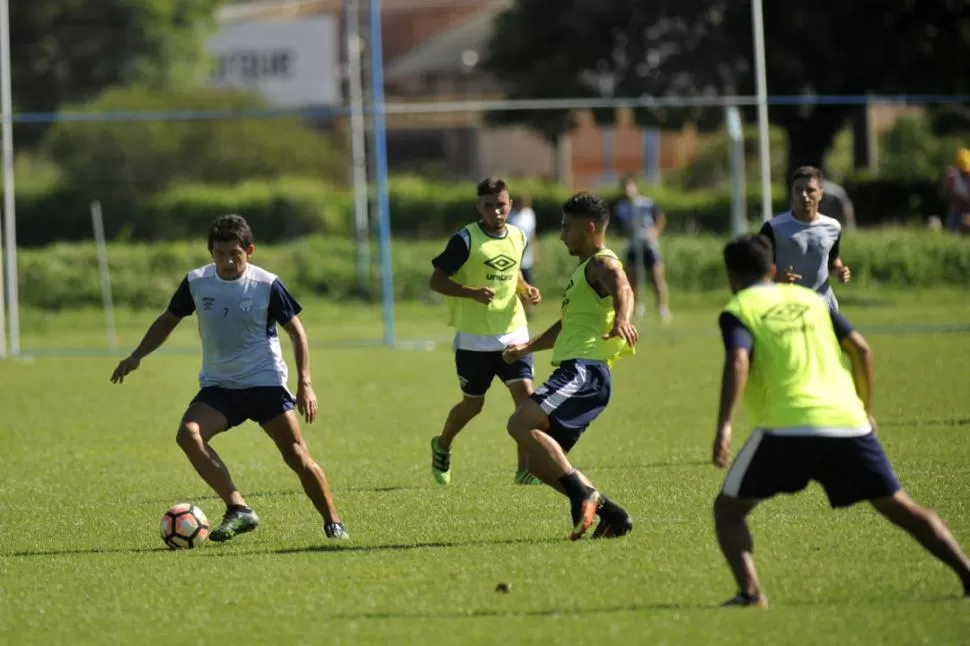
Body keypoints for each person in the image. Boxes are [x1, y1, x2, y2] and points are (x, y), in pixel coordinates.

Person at [711, 234, 970, 607]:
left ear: (730, 276)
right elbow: (861, 349)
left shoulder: (739, 308)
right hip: (847, 421)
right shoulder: (813, 301)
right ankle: (966, 572)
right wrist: (864, 409)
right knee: (900, 507)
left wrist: (724, 425)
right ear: (771, 269)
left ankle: (751, 593)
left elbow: (738, 360)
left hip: (787, 426)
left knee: (729, 510)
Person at [110, 214, 348, 542]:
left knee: (295, 454)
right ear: (211, 253)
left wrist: (305, 382)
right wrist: (136, 355)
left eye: (234, 253)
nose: (227, 261)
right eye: (219, 254)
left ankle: (333, 522)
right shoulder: (197, 282)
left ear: (249, 250)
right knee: (188, 434)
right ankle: (238, 508)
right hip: (220, 386)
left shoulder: (266, 284)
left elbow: (297, 332)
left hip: (264, 382)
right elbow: (167, 321)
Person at [503, 192, 638, 540]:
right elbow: (567, 324)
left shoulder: (601, 263)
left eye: (567, 228)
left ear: (589, 228)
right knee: (537, 462)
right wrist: (528, 348)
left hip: (585, 371)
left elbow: (623, 286)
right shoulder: (583, 272)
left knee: (520, 423)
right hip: (580, 372)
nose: (562, 235)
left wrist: (623, 317)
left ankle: (583, 495)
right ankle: (613, 515)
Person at [429, 177, 543, 486]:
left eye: (501, 204)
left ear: (510, 204)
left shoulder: (519, 236)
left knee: (526, 402)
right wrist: (471, 292)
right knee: (473, 405)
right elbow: (436, 281)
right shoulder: (465, 240)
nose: (496, 211)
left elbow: (513, 271)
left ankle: (525, 469)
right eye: (489, 205)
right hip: (474, 339)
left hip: (513, 331)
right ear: (479, 207)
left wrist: (526, 288)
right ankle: (442, 444)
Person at [758, 166, 850, 312]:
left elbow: (832, 260)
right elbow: (757, 268)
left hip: (824, 305)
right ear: (792, 193)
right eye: (798, 190)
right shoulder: (774, 227)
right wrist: (776, 280)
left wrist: (839, 270)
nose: (804, 195)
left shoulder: (833, 227)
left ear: (821, 193)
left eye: (810, 190)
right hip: (787, 306)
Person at [612, 176, 671, 323]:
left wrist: (654, 232)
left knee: (657, 277)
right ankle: (637, 307)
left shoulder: (647, 203)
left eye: (630, 187)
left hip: (649, 245)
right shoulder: (621, 208)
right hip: (633, 245)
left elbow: (660, 218)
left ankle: (662, 308)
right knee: (632, 279)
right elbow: (619, 227)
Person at [508, 193, 539, 318]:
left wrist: (535, 251)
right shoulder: (510, 215)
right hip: (514, 256)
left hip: (527, 256)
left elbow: (532, 235)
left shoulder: (529, 214)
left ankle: (527, 311)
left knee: (528, 283)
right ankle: (516, 310)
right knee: (515, 285)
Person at [943, 148, 970, 234]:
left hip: (968, 208)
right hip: (956, 207)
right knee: (952, 229)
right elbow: (947, 192)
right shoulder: (952, 176)